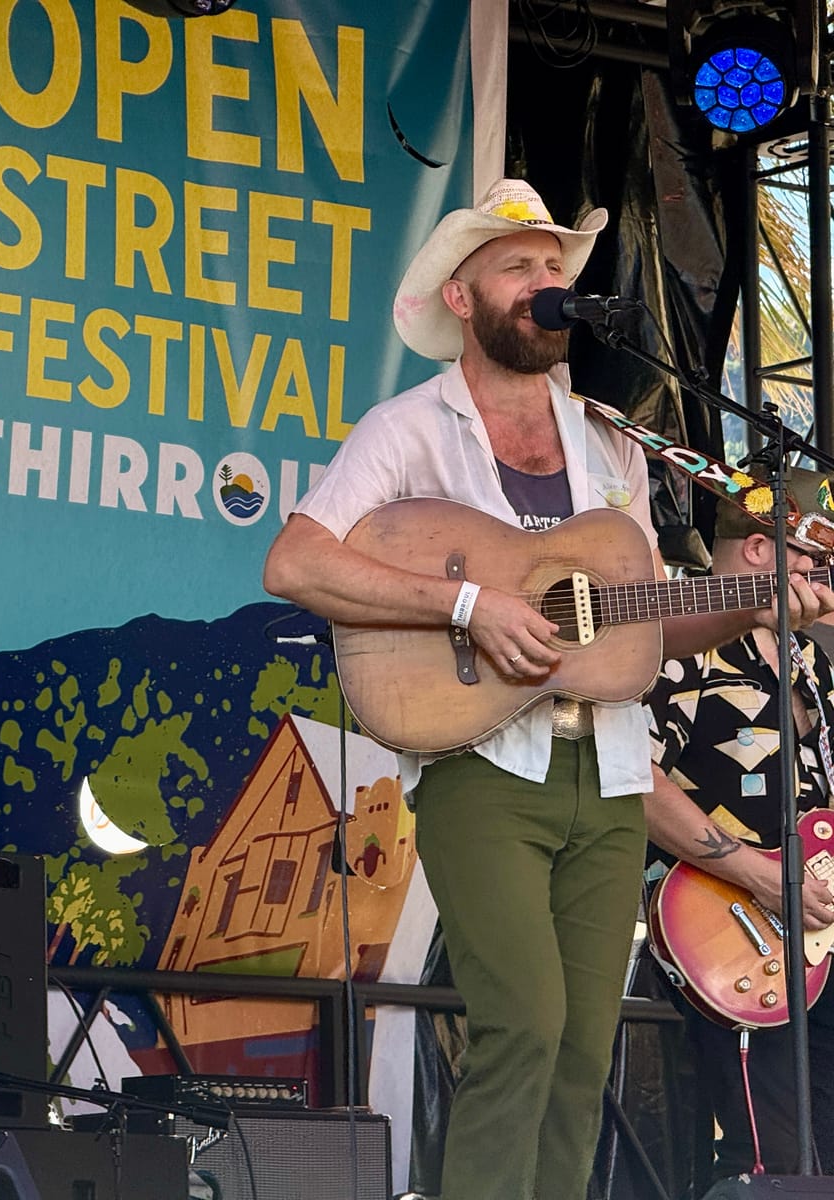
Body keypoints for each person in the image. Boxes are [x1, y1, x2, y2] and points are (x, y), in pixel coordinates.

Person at [262, 179, 834, 1200]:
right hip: (485, 765)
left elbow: (639, 626)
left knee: (582, 1052)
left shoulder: (611, 437)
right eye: (520, 266)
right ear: (463, 298)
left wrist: (757, 604)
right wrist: (468, 606)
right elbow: (298, 565)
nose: (546, 281)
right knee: (522, 1022)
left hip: (610, 772)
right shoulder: (407, 430)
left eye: (555, 267)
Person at [645, 469, 834, 1181]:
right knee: (777, 1158)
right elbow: (632, 778)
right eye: (816, 555)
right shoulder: (681, 651)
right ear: (760, 550)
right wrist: (759, 874)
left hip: (817, 933)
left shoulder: (810, 661)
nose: (825, 573)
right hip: (733, 933)